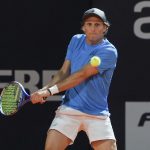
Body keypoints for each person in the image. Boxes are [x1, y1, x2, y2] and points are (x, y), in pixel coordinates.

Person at [31, 8, 118, 150]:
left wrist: (49, 92)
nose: (93, 28)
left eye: (97, 24)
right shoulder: (76, 40)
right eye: (89, 24)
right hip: (70, 109)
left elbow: (81, 75)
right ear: (84, 27)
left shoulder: (109, 51)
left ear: (105, 28)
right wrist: (44, 89)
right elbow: (64, 71)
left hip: (97, 114)